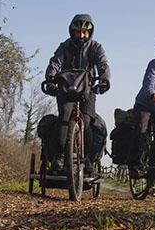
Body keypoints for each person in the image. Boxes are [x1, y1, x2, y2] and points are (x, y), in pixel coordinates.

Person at [45, 14, 111, 168]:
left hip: (88, 90)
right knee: (64, 117)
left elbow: (103, 65)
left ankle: (87, 159)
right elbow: (55, 63)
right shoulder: (65, 46)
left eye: (85, 33)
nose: (81, 35)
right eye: (78, 32)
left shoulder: (95, 48)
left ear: (90, 33)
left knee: (87, 121)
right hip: (66, 90)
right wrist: (50, 79)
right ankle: (60, 155)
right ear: (72, 32)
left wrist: (104, 80)